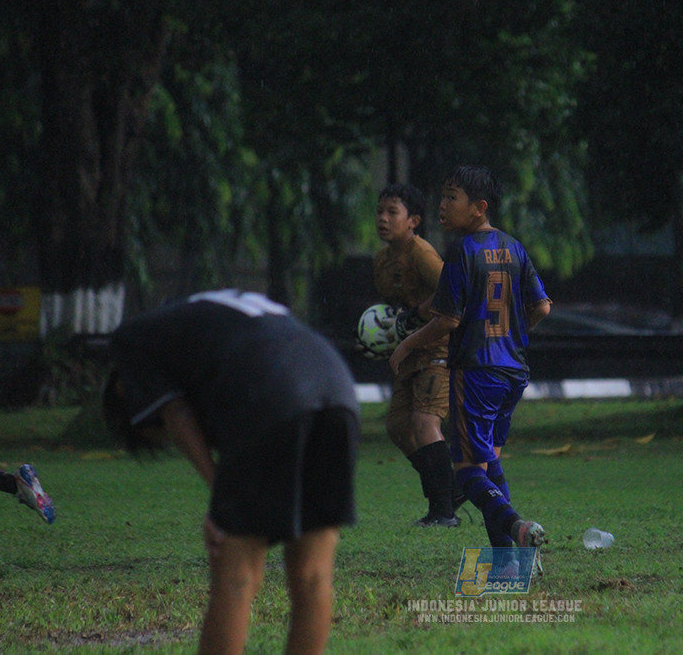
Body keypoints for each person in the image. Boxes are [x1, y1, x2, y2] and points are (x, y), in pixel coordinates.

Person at [102, 289, 359, 655]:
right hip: (336, 385)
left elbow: (178, 415)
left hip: (269, 390)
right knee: (313, 574)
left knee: (235, 576)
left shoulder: (130, 342)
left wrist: (220, 492)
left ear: (126, 393)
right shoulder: (206, 317)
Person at [389, 165, 552, 572]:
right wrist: (509, 336)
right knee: (489, 464)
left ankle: (515, 527)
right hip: (514, 372)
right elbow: (542, 306)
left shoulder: (463, 251)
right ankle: (506, 564)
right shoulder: (515, 248)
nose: (442, 205)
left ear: (478, 208)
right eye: (443, 196)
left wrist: (406, 346)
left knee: (465, 473)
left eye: (451, 197)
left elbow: (447, 319)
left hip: (476, 372)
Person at [371, 183, 461, 527]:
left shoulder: (421, 253)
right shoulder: (381, 260)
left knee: (425, 423)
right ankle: (450, 488)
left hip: (438, 346)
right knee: (397, 426)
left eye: (392, 212)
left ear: (413, 221)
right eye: (380, 211)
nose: (383, 218)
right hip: (409, 351)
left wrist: (419, 314)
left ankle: (443, 512)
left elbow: (453, 290)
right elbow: (396, 309)